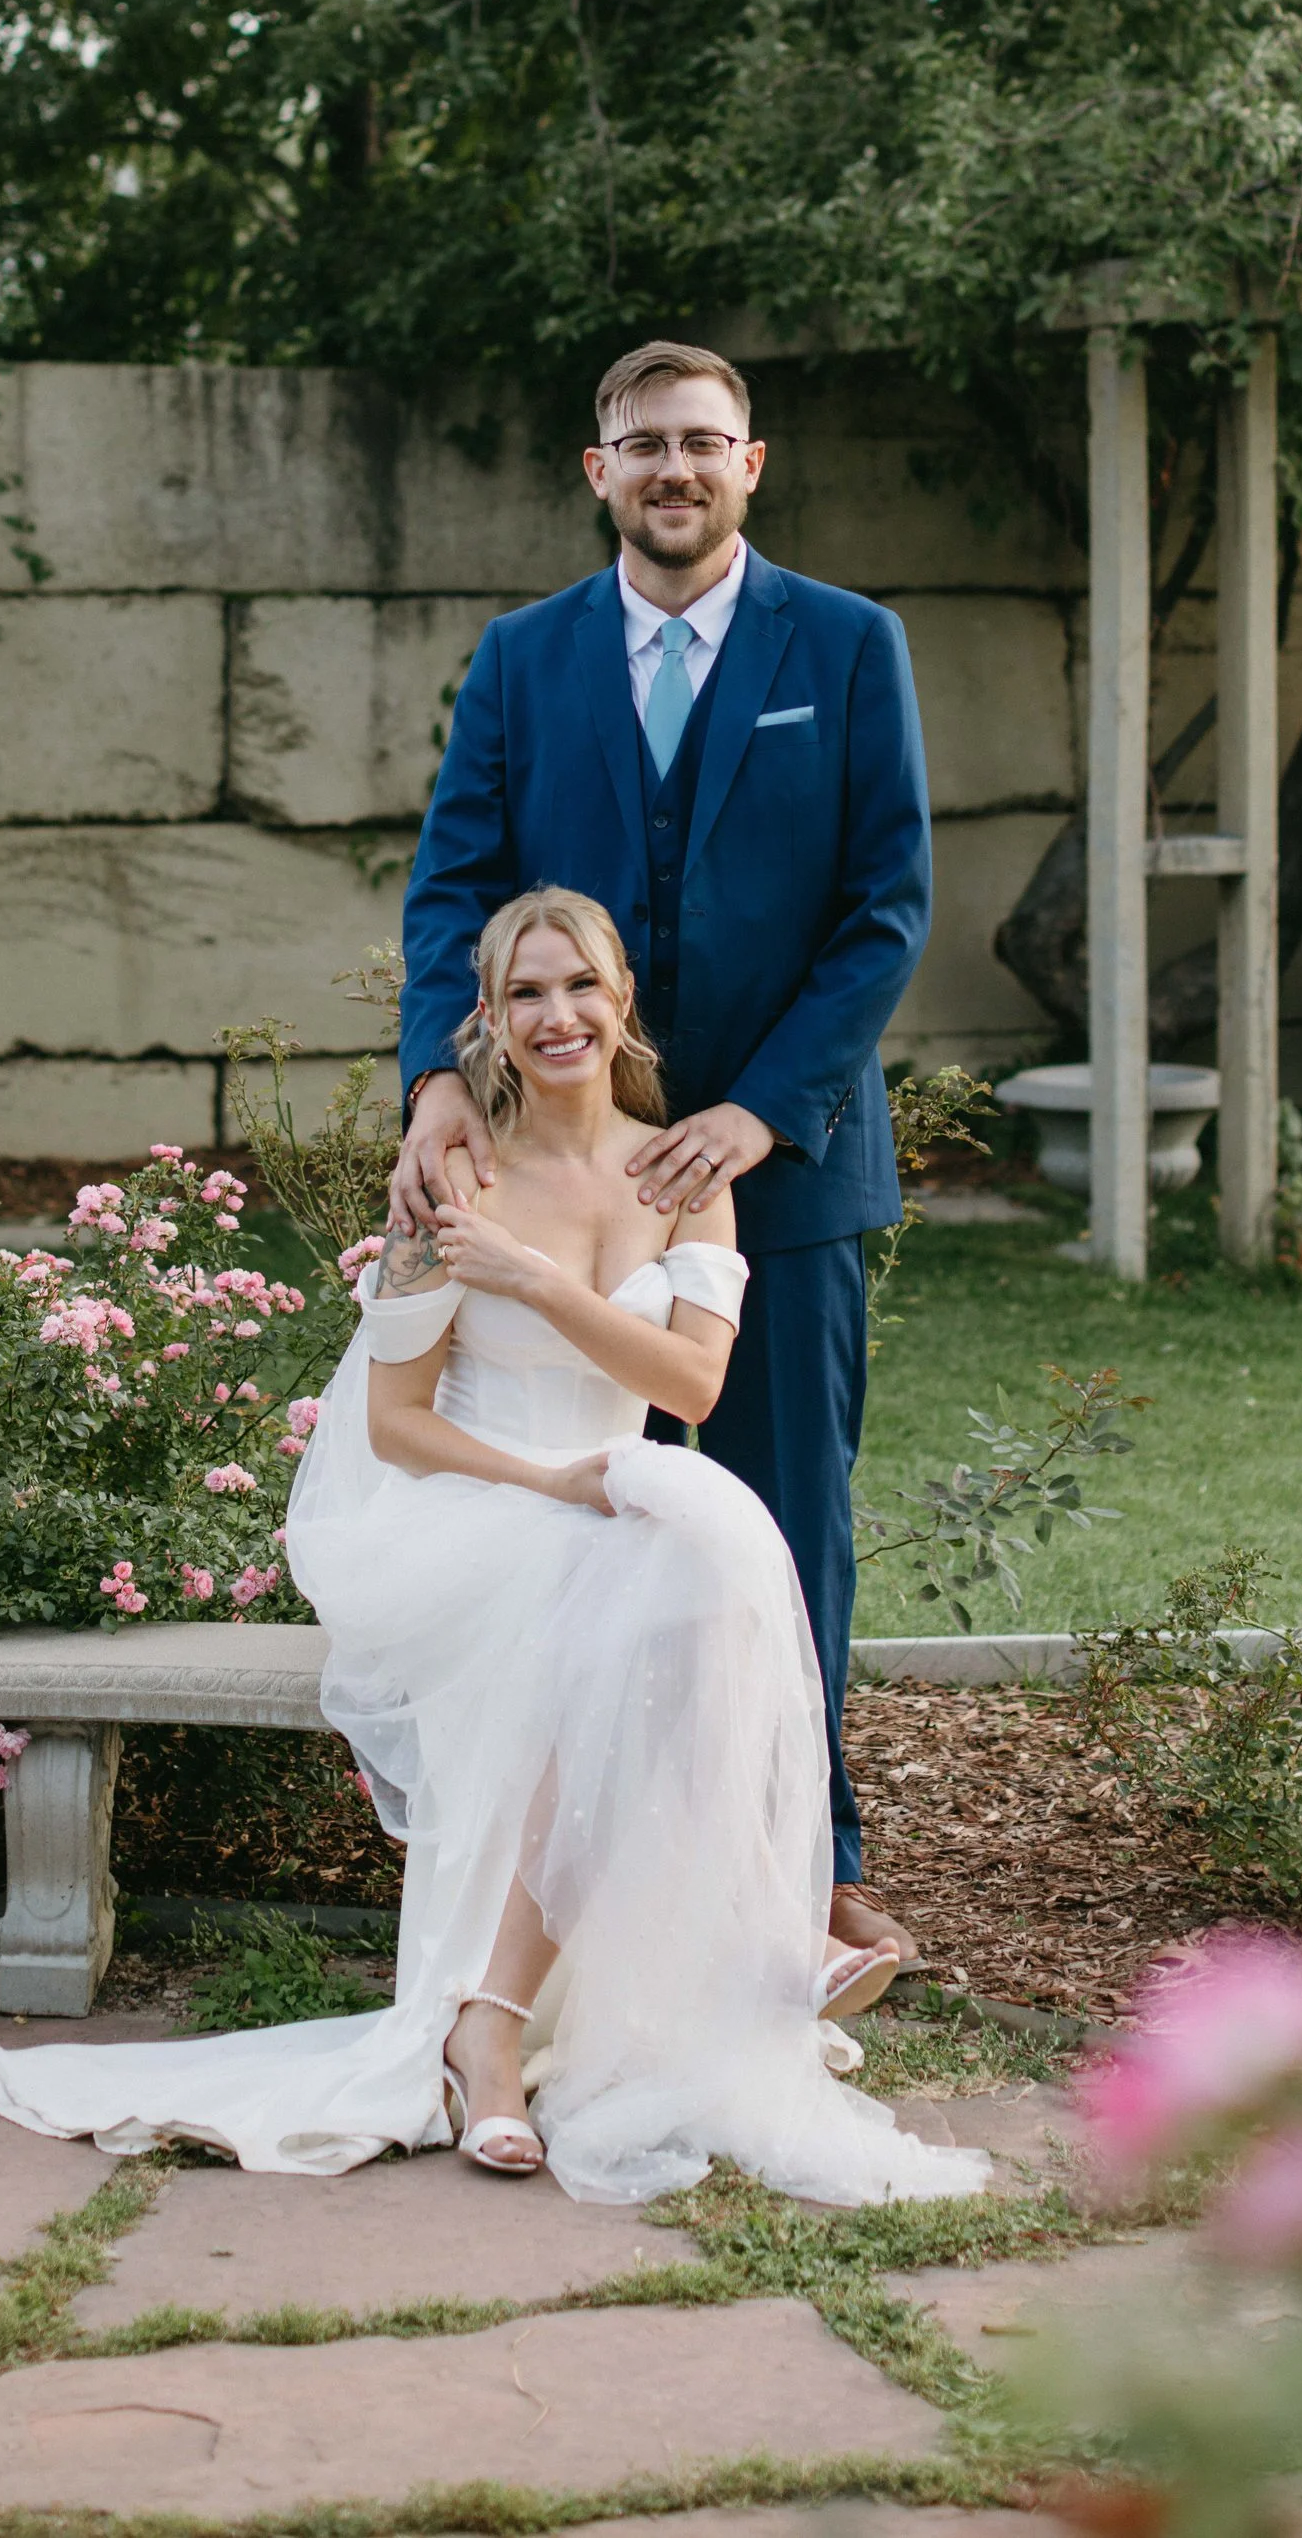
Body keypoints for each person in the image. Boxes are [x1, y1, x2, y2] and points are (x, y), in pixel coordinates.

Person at [0, 890, 986, 2209]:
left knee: (703, 1541)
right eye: (526, 993)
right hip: (455, 1505)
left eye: (580, 986)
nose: (557, 1014)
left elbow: (691, 1387)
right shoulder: (450, 1179)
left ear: (623, 1001)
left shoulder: (682, 1176)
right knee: (660, 1559)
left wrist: (539, 1286)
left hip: (606, 1494)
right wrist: (549, 1472)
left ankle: (496, 2019)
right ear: (491, 1026)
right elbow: (396, 1428)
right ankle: (723, 1943)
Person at [391, 339, 928, 1967]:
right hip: (559, 1174)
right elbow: (451, 888)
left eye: (705, 441)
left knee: (781, 1524)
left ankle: (807, 1859)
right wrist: (434, 1085)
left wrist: (760, 1110)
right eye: (645, 444)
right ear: (598, 467)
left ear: (752, 463)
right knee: (578, 1534)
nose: (675, 468)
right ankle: (564, 1885)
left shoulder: (846, 647)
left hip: (786, 1173)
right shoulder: (521, 658)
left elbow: (885, 907)